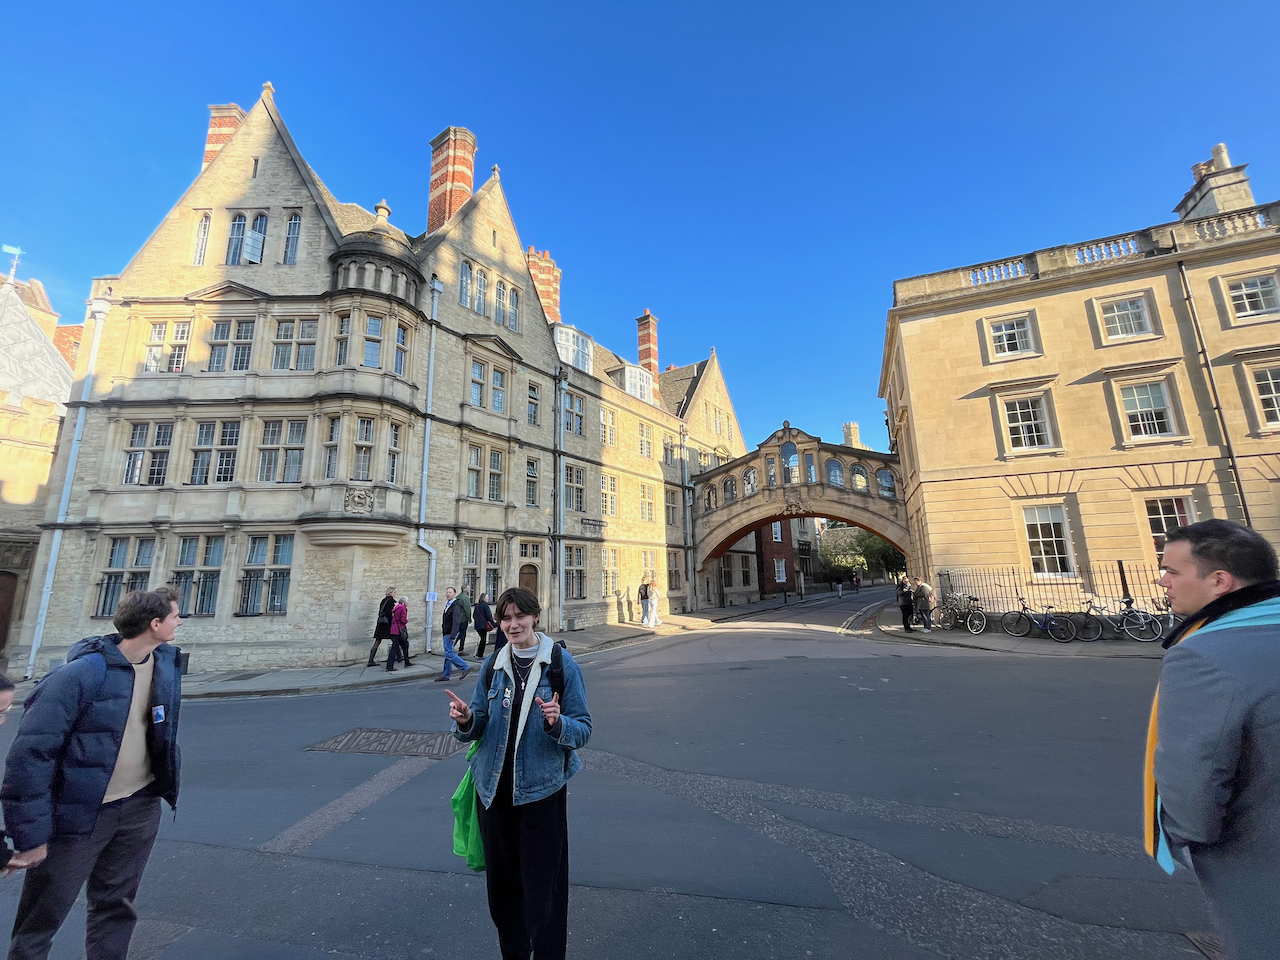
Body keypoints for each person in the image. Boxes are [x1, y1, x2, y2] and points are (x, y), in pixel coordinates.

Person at [2, 588, 184, 960]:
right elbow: (30, 757)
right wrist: (31, 836)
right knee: (42, 918)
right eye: (175, 616)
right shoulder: (78, 675)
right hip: (80, 815)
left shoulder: (165, 662)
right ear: (154, 624)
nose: (180, 621)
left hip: (140, 806)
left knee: (116, 906)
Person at [1146, 519, 1280, 959]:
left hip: (1258, 856)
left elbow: (1195, 770)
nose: (1162, 580)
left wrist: (1189, 839)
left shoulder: (1204, 654)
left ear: (1220, 580)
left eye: (1173, 571)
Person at [446, 587, 591, 960]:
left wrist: (559, 724)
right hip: (493, 793)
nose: (513, 625)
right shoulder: (494, 664)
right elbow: (477, 723)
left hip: (541, 794)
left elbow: (584, 728)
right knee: (503, 892)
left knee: (544, 893)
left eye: (519, 617)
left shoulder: (560, 665)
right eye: (506, 618)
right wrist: (465, 719)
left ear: (535, 617)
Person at [434, 587, 471, 683]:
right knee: (447, 653)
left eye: (450, 592)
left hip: (450, 632)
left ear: (454, 594)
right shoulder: (449, 604)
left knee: (449, 653)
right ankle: (445, 674)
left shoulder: (456, 605)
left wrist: (453, 635)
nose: (448, 594)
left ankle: (464, 667)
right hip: (446, 631)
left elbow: (456, 621)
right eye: (447, 592)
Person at [368, 585, 397, 667]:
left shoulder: (383, 600)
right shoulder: (390, 601)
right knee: (395, 639)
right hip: (387, 624)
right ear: (391, 592)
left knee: (378, 641)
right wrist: (392, 622)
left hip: (381, 623)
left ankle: (371, 659)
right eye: (394, 592)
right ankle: (399, 656)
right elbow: (389, 613)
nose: (395, 593)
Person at [386, 597, 412, 672]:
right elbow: (403, 619)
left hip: (394, 629)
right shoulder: (403, 608)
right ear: (404, 602)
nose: (408, 603)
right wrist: (406, 621)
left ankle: (406, 662)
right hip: (399, 630)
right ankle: (390, 666)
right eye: (407, 601)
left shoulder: (397, 607)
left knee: (403, 645)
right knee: (397, 647)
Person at [473, 593, 496, 661]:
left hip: (477, 625)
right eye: (487, 597)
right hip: (483, 625)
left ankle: (478, 653)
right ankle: (480, 654)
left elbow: (474, 615)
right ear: (483, 598)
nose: (488, 598)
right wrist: (494, 624)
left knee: (482, 639)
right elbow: (489, 616)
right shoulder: (485, 606)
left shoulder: (477, 606)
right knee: (483, 640)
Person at [455, 589, 474, 657]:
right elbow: (467, 609)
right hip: (463, 619)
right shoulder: (465, 597)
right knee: (462, 634)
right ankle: (461, 650)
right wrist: (469, 618)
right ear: (466, 590)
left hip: (457, 619)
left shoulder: (458, 597)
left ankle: (453, 646)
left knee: (458, 633)